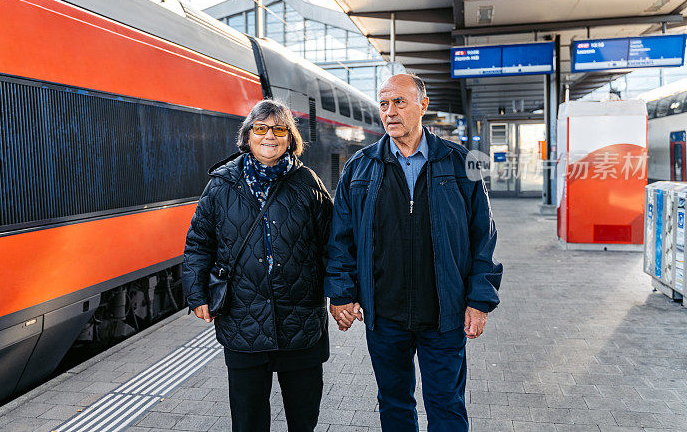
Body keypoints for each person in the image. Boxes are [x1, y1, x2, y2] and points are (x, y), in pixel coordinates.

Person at [325, 74, 503, 432]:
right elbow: (340, 238)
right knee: (393, 402)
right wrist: (341, 294)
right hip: (384, 316)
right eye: (384, 104)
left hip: (445, 313)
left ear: (423, 105)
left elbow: (483, 236)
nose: (390, 112)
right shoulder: (360, 168)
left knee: (447, 404)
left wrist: (480, 300)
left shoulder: (459, 162)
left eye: (400, 102)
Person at [182, 99, 332, 432]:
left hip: (301, 320)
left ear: (290, 137)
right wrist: (197, 295)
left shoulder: (308, 183)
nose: (270, 136)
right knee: (248, 421)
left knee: (303, 418)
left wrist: (341, 296)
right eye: (260, 128)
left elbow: (332, 246)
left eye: (279, 129)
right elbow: (198, 244)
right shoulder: (221, 186)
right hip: (243, 321)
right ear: (247, 136)